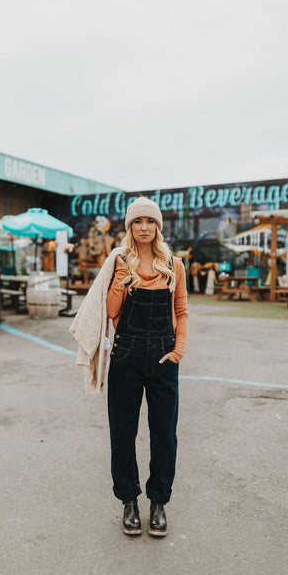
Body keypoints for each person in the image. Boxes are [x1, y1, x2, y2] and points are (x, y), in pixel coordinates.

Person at [106, 197, 188, 537]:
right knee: (123, 433)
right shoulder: (119, 260)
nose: (143, 227)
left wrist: (178, 350)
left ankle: (158, 503)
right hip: (125, 355)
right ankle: (128, 501)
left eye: (149, 222)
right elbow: (111, 312)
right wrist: (120, 278)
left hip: (163, 357)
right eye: (137, 222)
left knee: (164, 435)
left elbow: (181, 312)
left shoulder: (174, 264)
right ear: (129, 227)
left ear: (158, 227)